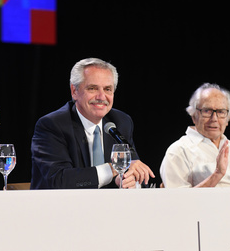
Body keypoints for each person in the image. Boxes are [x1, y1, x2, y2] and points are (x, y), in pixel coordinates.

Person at [31, 58, 154, 189]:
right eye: (93, 89)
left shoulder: (120, 122)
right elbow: (59, 180)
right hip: (61, 207)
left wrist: (126, 179)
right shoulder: (52, 125)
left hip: (108, 208)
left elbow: (136, 171)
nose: (101, 97)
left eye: (107, 89)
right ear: (74, 91)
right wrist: (113, 169)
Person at [160, 83, 230, 188]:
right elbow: (178, 202)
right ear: (194, 116)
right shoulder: (178, 151)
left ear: (228, 119)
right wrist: (217, 174)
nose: (214, 119)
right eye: (207, 111)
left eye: (220, 112)